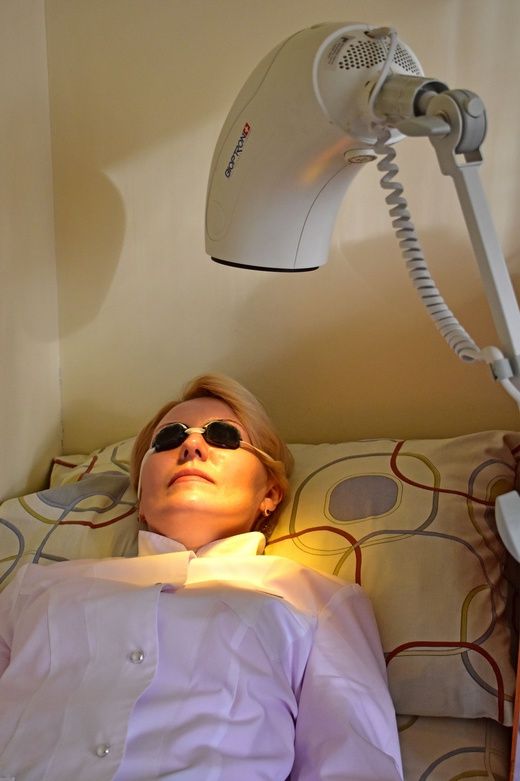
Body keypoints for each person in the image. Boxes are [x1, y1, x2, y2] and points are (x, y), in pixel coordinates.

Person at [0, 374, 403, 781]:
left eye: (223, 436)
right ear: (140, 497)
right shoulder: (34, 589)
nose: (191, 446)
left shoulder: (317, 600)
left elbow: (357, 764)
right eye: (169, 437)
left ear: (270, 494)